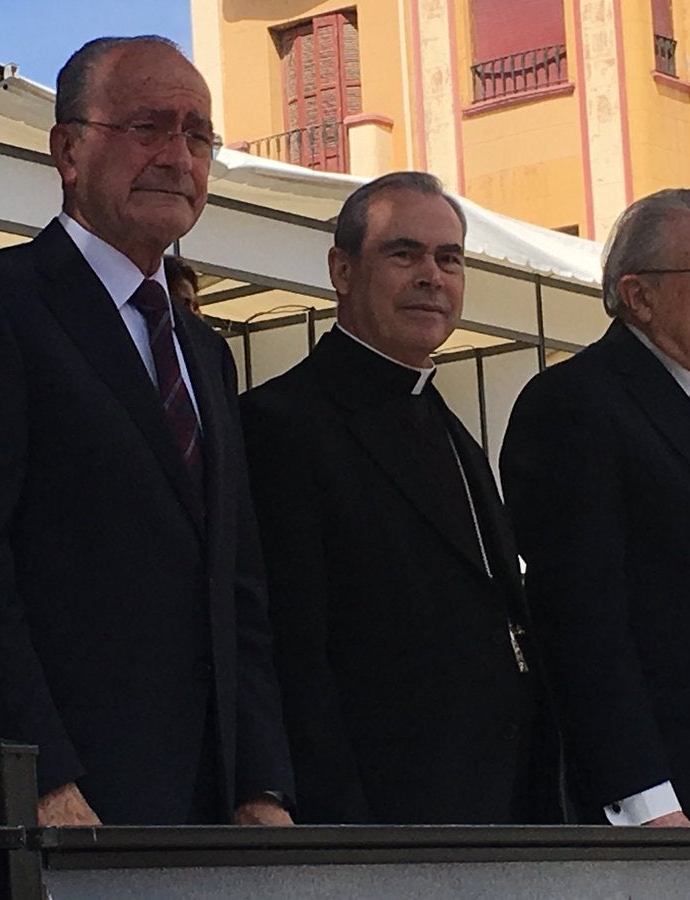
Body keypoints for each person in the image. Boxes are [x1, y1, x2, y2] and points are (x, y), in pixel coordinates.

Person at [0, 35, 293, 826]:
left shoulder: (204, 351)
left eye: (199, 134)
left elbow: (235, 583)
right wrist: (35, 773)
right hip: (60, 804)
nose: (179, 156)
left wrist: (261, 782)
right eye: (148, 127)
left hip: (206, 809)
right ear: (68, 150)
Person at [239, 171, 555, 824]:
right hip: (378, 816)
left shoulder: (448, 422)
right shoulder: (280, 425)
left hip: (499, 808)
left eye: (450, 258)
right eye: (404, 253)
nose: (431, 276)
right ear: (343, 270)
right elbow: (292, 652)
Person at [500, 188, 690, 826]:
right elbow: (581, 622)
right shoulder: (575, 405)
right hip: (667, 806)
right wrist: (644, 799)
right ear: (638, 295)